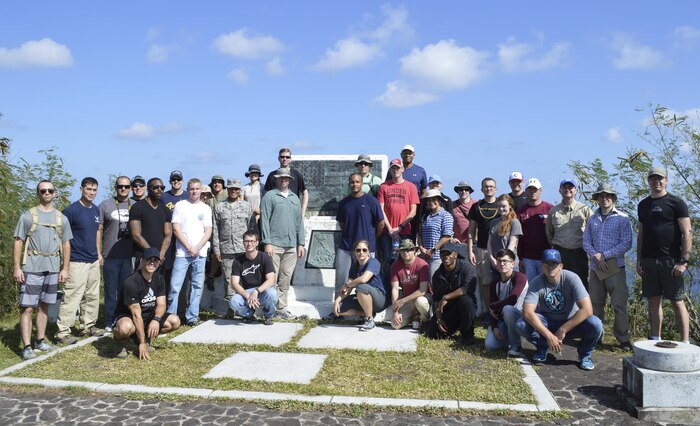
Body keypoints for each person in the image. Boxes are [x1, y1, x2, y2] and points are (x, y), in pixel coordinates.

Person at [13, 180, 72, 360]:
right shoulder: (28, 216)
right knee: (27, 308)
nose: (46, 193)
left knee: (45, 305)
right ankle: (27, 346)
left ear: (55, 193)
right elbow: (18, 241)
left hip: (53, 268)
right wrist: (17, 268)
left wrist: (65, 268)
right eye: (43, 190)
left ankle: (40, 340)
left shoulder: (61, 218)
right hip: (31, 267)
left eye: (50, 190)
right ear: (38, 193)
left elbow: (66, 243)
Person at [517, 249, 603, 370]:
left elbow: (588, 310)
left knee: (596, 324)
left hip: (570, 324)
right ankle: (542, 347)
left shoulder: (572, 278)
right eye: (547, 263)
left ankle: (585, 355)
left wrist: (563, 330)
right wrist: (549, 336)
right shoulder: (536, 282)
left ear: (560, 266)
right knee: (521, 324)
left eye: (554, 264)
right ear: (542, 266)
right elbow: (527, 312)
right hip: (548, 323)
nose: (550, 267)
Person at [637, 167, 692, 343]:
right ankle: (655, 338)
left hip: (671, 261)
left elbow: (687, 232)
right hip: (649, 260)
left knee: (677, 301)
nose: (656, 182)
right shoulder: (643, 205)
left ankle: (685, 342)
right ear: (648, 181)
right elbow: (641, 234)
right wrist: (639, 260)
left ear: (666, 180)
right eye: (653, 179)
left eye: (660, 179)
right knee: (653, 301)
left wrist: (683, 261)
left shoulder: (676, 203)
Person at [582, 183, 633, 351]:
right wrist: (596, 256)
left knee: (619, 304)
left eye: (608, 195)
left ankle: (623, 338)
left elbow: (626, 243)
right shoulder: (592, 219)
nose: (605, 199)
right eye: (601, 196)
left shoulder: (622, 218)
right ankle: (596, 336)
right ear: (597, 199)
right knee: (596, 304)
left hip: (615, 268)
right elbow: (586, 241)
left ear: (613, 198)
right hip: (596, 268)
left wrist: (604, 255)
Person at [55, 177, 105, 344]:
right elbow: (62, 238)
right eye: (88, 189)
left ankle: (88, 325)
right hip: (76, 260)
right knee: (72, 296)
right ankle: (63, 331)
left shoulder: (96, 210)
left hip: (92, 260)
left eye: (94, 190)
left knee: (92, 295)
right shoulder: (71, 211)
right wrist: (65, 264)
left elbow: (97, 232)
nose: (91, 193)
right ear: (81, 189)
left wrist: (98, 253)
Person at [112, 247, 181, 360]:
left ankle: (144, 337)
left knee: (174, 322)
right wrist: (142, 342)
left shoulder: (159, 279)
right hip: (129, 317)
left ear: (159, 263)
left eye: (155, 260)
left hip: (148, 317)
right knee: (125, 328)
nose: (152, 263)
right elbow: (136, 314)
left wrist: (156, 319)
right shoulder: (131, 282)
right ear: (141, 260)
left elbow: (162, 304)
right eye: (149, 259)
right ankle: (119, 341)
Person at [260, 168, 305, 320]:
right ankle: (269, 309)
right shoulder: (269, 196)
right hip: (274, 245)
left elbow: (299, 222)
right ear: (277, 179)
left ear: (290, 180)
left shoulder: (295, 198)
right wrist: (267, 242)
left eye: (286, 178)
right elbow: (264, 220)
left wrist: (301, 243)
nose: (284, 180)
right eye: (281, 178)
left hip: (291, 245)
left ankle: (282, 308)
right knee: (271, 279)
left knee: (285, 279)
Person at [167, 178, 213, 326]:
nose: (194, 192)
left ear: (201, 190)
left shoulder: (205, 208)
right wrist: (188, 247)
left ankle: (192, 317)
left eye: (197, 189)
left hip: (200, 253)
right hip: (182, 253)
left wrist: (197, 247)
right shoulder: (180, 206)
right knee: (175, 286)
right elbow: (176, 229)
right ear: (188, 189)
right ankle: (170, 317)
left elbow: (208, 231)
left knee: (197, 286)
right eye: (192, 189)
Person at [335, 173, 384, 298]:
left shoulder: (371, 201)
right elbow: (342, 223)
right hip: (346, 247)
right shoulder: (344, 203)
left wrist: (371, 239)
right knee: (342, 281)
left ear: (362, 183)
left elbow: (381, 223)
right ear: (349, 184)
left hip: (366, 249)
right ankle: (338, 309)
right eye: (352, 182)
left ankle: (365, 312)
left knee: (366, 282)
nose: (354, 184)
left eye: (357, 182)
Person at [97, 176, 134, 332]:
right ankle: (110, 320)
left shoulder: (136, 205)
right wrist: (99, 253)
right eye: (120, 186)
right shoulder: (105, 205)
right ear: (116, 187)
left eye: (126, 186)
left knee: (127, 291)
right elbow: (98, 230)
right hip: (110, 256)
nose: (123, 189)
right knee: (111, 291)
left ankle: (124, 318)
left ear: (131, 188)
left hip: (130, 256)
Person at [377, 159, 419, 284]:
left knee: (405, 261)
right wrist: (390, 228)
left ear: (402, 169)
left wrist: (400, 227)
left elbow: (413, 211)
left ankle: (403, 290)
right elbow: (381, 209)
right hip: (386, 232)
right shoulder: (383, 186)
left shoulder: (411, 187)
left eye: (397, 168)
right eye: (393, 168)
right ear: (390, 170)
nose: (395, 170)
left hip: (404, 231)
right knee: (386, 261)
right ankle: (386, 291)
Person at [426, 243, 478, 345]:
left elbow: (467, 288)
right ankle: (452, 327)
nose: (446, 256)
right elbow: (436, 299)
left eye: (449, 254)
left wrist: (446, 297)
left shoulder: (466, 268)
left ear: (455, 255)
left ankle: (467, 335)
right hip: (449, 309)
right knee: (433, 332)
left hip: (465, 306)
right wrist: (439, 319)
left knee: (466, 301)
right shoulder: (437, 275)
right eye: (443, 254)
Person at [213, 178, 255, 300]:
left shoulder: (247, 207)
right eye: (231, 189)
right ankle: (231, 309)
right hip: (226, 250)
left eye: (236, 189)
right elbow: (216, 230)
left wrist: (252, 249)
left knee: (246, 278)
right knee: (229, 279)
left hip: (244, 250)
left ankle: (246, 309)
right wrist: (217, 251)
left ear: (240, 190)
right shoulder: (219, 207)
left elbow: (251, 230)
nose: (233, 191)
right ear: (227, 190)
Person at [546, 179, 593, 289]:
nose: (567, 190)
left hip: (579, 253)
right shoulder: (553, 211)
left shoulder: (584, 210)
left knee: (580, 284)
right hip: (559, 253)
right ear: (560, 190)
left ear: (575, 190)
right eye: (565, 187)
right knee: (559, 284)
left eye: (570, 187)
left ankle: (582, 307)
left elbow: (593, 231)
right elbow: (549, 233)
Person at [332, 240, 386, 331]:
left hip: (379, 299)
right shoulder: (354, 266)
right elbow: (348, 289)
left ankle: (370, 320)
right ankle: (368, 313)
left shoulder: (373, 262)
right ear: (354, 252)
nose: (361, 252)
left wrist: (347, 284)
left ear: (368, 251)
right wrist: (337, 300)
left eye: (364, 250)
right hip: (363, 297)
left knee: (361, 287)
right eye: (358, 250)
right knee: (339, 308)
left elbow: (363, 279)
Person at [485, 249, 528, 356]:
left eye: (505, 261)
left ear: (513, 264)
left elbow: (512, 299)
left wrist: (492, 306)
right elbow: (492, 310)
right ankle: (507, 338)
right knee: (490, 345)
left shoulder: (520, 278)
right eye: (499, 261)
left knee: (507, 309)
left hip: (521, 319)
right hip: (503, 320)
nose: (502, 263)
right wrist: (494, 327)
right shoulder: (495, 283)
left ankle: (516, 345)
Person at [228, 231, 278, 324]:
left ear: (257, 243)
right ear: (243, 243)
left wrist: (256, 291)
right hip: (247, 292)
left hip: (262, 290)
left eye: (252, 241)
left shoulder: (265, 258)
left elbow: (271, 280)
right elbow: (234, 283)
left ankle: (268, 316)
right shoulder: (238, 261)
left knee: (272, 294)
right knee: (233, 301)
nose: (249, 244)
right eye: (246, 241)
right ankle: (248, 314)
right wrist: (248, 296)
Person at [468, 178, 499, 315]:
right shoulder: (477, 206)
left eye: (491, 186)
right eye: (486, 187)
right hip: (482, 249)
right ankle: (488, 311)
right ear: (482, 189)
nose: (489, 189)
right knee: (486, 282)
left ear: (496, 189)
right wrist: (470, 250)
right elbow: (471, 231)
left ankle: (501, 310)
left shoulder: (502, 205)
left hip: (500, 249)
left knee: (501, 281)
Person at [517, 178, 553, 284]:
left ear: (540, 190)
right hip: (527, 259)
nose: (532, 192)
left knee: (547, 287)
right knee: (531, 288)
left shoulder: (550, 209)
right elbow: (518, 238)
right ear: (526, 191)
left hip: (547, 257)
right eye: (530, 189)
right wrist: (520, 259)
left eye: (535, 189)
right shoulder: (520, 212)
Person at [129, 177, 172, 267]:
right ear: (148, 189)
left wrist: (161, 254)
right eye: (156, 187)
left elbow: (168, 235)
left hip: (160, 258)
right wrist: (152, 254)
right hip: (142, 256)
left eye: (162, 188)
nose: (159, 190)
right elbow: (136, 235)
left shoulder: (165, 209)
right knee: (139, 281)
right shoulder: (137, 207)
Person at [389, 239, 431, 330]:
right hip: (408, 299)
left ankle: (425, 320)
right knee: (395, 324)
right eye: (403, 250)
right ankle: (413, 317)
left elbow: (423, 290)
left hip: (424, 297)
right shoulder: (395, 266)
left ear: (414, 250)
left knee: (420, 302)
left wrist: (402, 301)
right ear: (399, 251)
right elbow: (395, 289)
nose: (406, 252)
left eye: (409, 249)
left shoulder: (422, 264)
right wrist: (395, 312)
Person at [418, 188, 454, 277]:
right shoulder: (425, 216)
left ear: (439, 201)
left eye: (434, 199)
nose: (431, 202)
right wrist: (421, 247)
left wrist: (433, 249)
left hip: (438, 257)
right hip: (424, 256)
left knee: (435, 284)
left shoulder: (446, 216)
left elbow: (447, 236)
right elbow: (419, 234)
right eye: (429, 200)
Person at [264, 147, 309, 216]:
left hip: (293, 212)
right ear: (278, 158)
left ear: (290, 159)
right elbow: (266, 194)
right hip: (276, 212)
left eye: (287, 157)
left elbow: (305, 192)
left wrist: (302, 213)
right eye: (282, 157)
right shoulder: (272, 175)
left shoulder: (297, 174)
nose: (285, 159)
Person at [487, 194, 522, 273]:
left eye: (504, 206)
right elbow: (489, 243)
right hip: (495, 264)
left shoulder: (514, 222)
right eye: (499, 206)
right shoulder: (494, 222)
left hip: (509, 265)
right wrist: (492, 259)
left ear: (510, 206)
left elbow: (512, 244)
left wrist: (502, 261)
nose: (501, 208)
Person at [451, 180, 477, 246]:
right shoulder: (452, 205)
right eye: (461, 189)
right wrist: (451, 238)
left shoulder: (476, 204)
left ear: (469, 192)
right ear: (458, 191)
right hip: (457, 243)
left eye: (466, 190)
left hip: (473, 243)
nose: (463, 192)